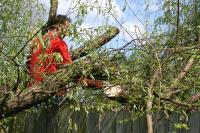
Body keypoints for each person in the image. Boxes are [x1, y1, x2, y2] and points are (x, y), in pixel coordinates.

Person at [27, 15, 72, 85]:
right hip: (46, 83)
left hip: (31, 82)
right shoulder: (59, 42)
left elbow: (28, 61)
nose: (67, 32)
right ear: (57, 26)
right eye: (66, 28)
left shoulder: (37, 40)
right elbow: (68, 64)